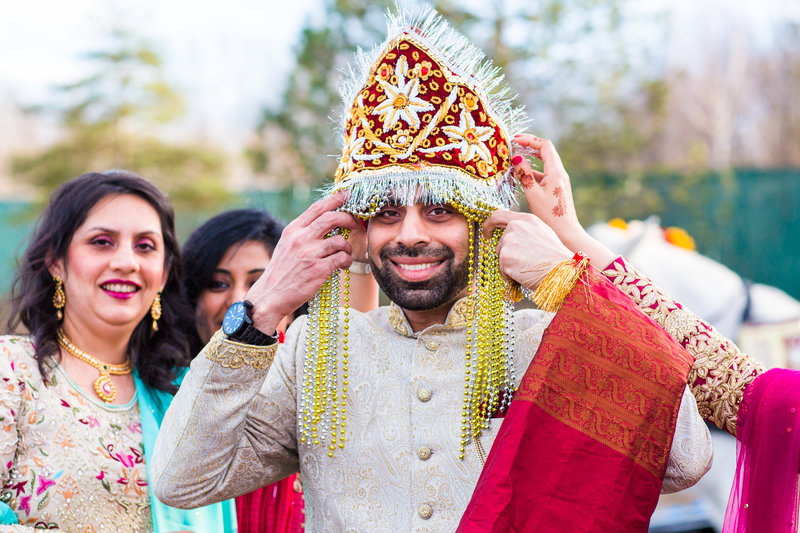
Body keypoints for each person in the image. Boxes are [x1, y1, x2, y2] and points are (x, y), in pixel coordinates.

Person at [150, 7, 722, 531]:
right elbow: (180, 479)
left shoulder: (545, 341)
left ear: (483, 226)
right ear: (359, 233)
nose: (410, 234)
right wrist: (263, 307)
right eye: (388, 213)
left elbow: (686, 457)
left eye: (440, 210)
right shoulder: (314, 355)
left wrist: (571, 282)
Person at [0, 171, 235, 532]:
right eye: (102, 242)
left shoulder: (182, 396)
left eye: (145, 246)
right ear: (55, 261)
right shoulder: (12, 371)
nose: (127, 262)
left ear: (164, 273)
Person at [181, 208, 379, 533]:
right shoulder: (164, 398)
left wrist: (360, 259)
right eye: (218, 283)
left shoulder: (314, 391)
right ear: (192, 295)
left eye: (260, 282)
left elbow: (355, 352)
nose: (240, 301)